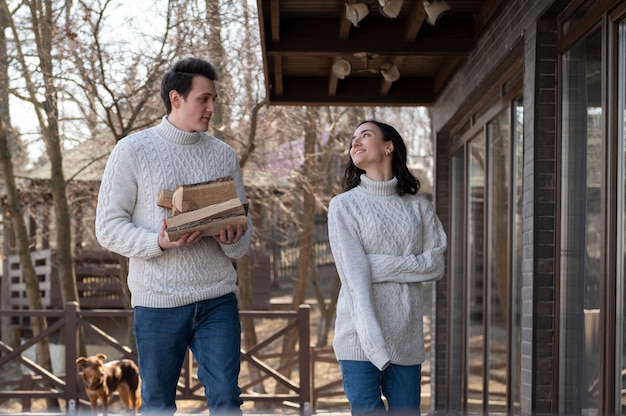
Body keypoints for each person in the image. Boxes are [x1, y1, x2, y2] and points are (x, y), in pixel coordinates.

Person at [95, 57, 252, 416]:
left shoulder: (224, 155)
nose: (212, 108)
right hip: (157, 302)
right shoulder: (132, 150)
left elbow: (243, 239)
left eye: (214, 99)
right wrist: (159, 242)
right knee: (158, 402)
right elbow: (107, 227)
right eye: (204, 99)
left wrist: (230, 237)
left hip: (217, 298)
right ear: (176, 98)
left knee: (227, 396)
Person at [327, 120, 447, 416]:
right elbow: (354, 278)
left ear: (388, 146)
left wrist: (374, 264)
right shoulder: (343, 206)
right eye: (353, 139)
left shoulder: (419, 207)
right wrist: (372, 342)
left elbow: (435, 265)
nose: (355, 142)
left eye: (365, 135)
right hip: (357, 336)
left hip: (406, 339)